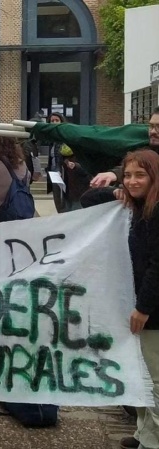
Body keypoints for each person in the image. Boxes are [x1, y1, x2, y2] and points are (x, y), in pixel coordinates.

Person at [118, 149, 159, 449]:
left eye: (140, 175)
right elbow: (91, 200)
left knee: (155, 379)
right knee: (141, 374)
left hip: (154, 309)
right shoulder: (140, 208)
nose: (132, 181)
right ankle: (143, 432)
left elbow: (158, 264)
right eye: (127, 175)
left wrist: (144, 307)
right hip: (143, 305)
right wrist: (118, 190)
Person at [58, 145, 91, 212]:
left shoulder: (82, 158)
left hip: (79, 193)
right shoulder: (64, 161)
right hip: (68, 193)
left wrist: (76, 166)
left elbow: (87, 171)